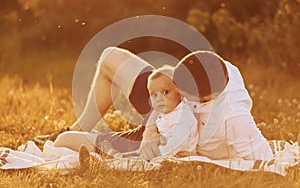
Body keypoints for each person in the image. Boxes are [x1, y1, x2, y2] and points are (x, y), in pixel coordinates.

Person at [36, 46, 273, 161]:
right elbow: (170, 76)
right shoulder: (215, 66)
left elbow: (265, 162)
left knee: (64, 144)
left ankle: (72, 138)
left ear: (206, 100)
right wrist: (151, 125)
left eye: (185, 94)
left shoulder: (234, 118)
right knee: (110, 57)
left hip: (167, 138)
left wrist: (152, 139)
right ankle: (77, 127)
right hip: (159, 115)